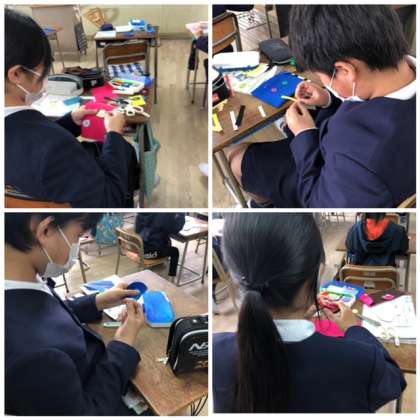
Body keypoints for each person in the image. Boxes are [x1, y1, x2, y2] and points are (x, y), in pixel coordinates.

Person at [213, 213, 406, 413]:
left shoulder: (215, 353)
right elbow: (394, 381)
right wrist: (354, 330)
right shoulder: (360, 361)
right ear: (318, 272)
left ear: (234, 276)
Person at [228, 5, 415, 208]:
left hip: (325, 176)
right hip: (356, 169)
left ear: (344, 71)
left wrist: (304, 135)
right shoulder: (395, 79)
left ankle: (264, 206)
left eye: (321, 75)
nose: (325, 82)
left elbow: (318, 203)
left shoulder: (360, 157)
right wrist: (328, 99)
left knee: (236, 157)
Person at [5, 213, 146, 415]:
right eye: (78, 235)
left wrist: (98, 301)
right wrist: (123, 345)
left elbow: (45, 311)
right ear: (45, 230)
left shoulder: (21, 277)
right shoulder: (34, 357)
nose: (77, 244)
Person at [5, 10, 138, 208]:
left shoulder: (37, 138)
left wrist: (69, 122)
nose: (46, 76)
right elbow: (110, 201)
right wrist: (114, 135)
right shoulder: (54, 145)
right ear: (16, 74)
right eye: (44, 68)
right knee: (128, 151)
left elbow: (27, 148)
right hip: (87, 200)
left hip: (41, 187)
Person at [135, 213, 186, 278]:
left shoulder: (142, 213)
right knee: (175, 251)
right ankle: (171, 277)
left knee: (163, 241)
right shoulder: (167, 214)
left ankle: (160, 265)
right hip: (148, 254)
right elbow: (174, 230)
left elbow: (137, 230)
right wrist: (181, 216)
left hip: (139, 250)